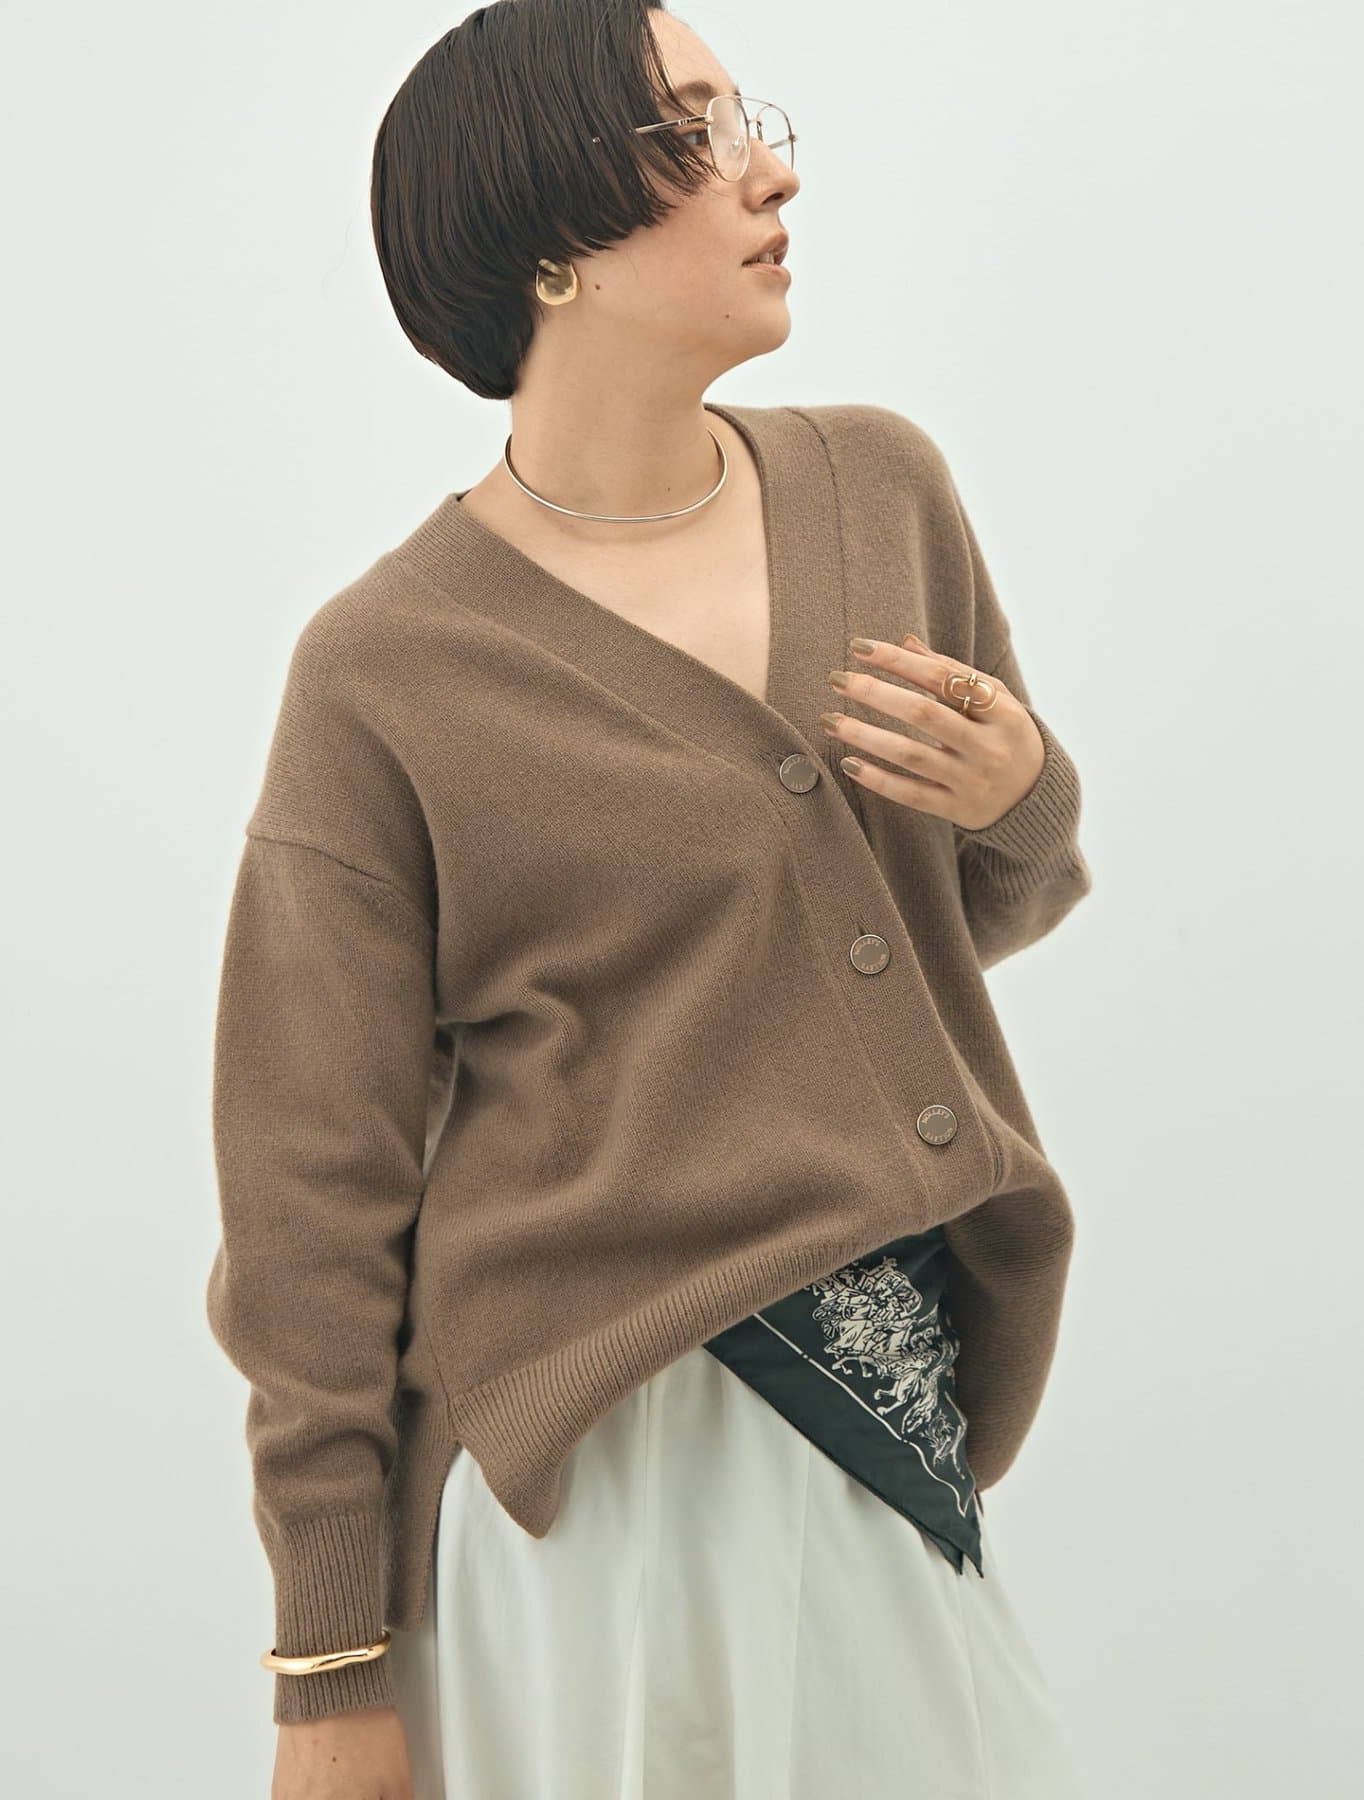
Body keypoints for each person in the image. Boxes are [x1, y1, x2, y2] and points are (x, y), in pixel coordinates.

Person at [204, 4, 1095, 1796]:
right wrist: (330, 1662)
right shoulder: (386, 672)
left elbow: (938, 933)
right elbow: (308, 1203)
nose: (770, 173)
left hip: (878, 1407)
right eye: (692, 135)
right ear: (551, 249)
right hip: (590, 1480)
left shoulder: (882, 488)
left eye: (748, 119)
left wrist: (1026, 800)